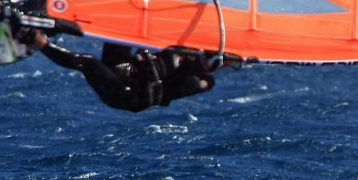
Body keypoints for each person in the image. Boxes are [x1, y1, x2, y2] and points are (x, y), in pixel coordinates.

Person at [17, 29, 215, 112]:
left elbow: (185, 85)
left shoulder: (200, 81)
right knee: (117, 31)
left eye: (204, 57)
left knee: (88, 62)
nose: (198, 55)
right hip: (126, 70)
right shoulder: (182, 48)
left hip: (128, 94)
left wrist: (194, 66)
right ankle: (52, 27)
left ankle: (40, 43)